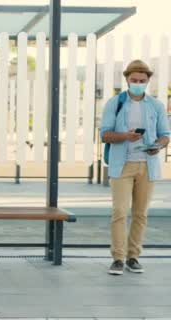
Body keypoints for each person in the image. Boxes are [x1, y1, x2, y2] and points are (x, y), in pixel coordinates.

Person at [101, 60, 170, 275]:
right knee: (120, 212)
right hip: (122, 166)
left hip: (147, 166)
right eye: (134, 80)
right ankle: (118, 258)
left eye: (142, 81)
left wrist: (157, 146)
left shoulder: (156, 105)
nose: (138, 83)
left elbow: (165, 135)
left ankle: (133, 257)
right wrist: (126, 136)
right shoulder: (115, 103)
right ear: (127, 80)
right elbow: (105, 134)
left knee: (141, 214)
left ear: (148, 81)